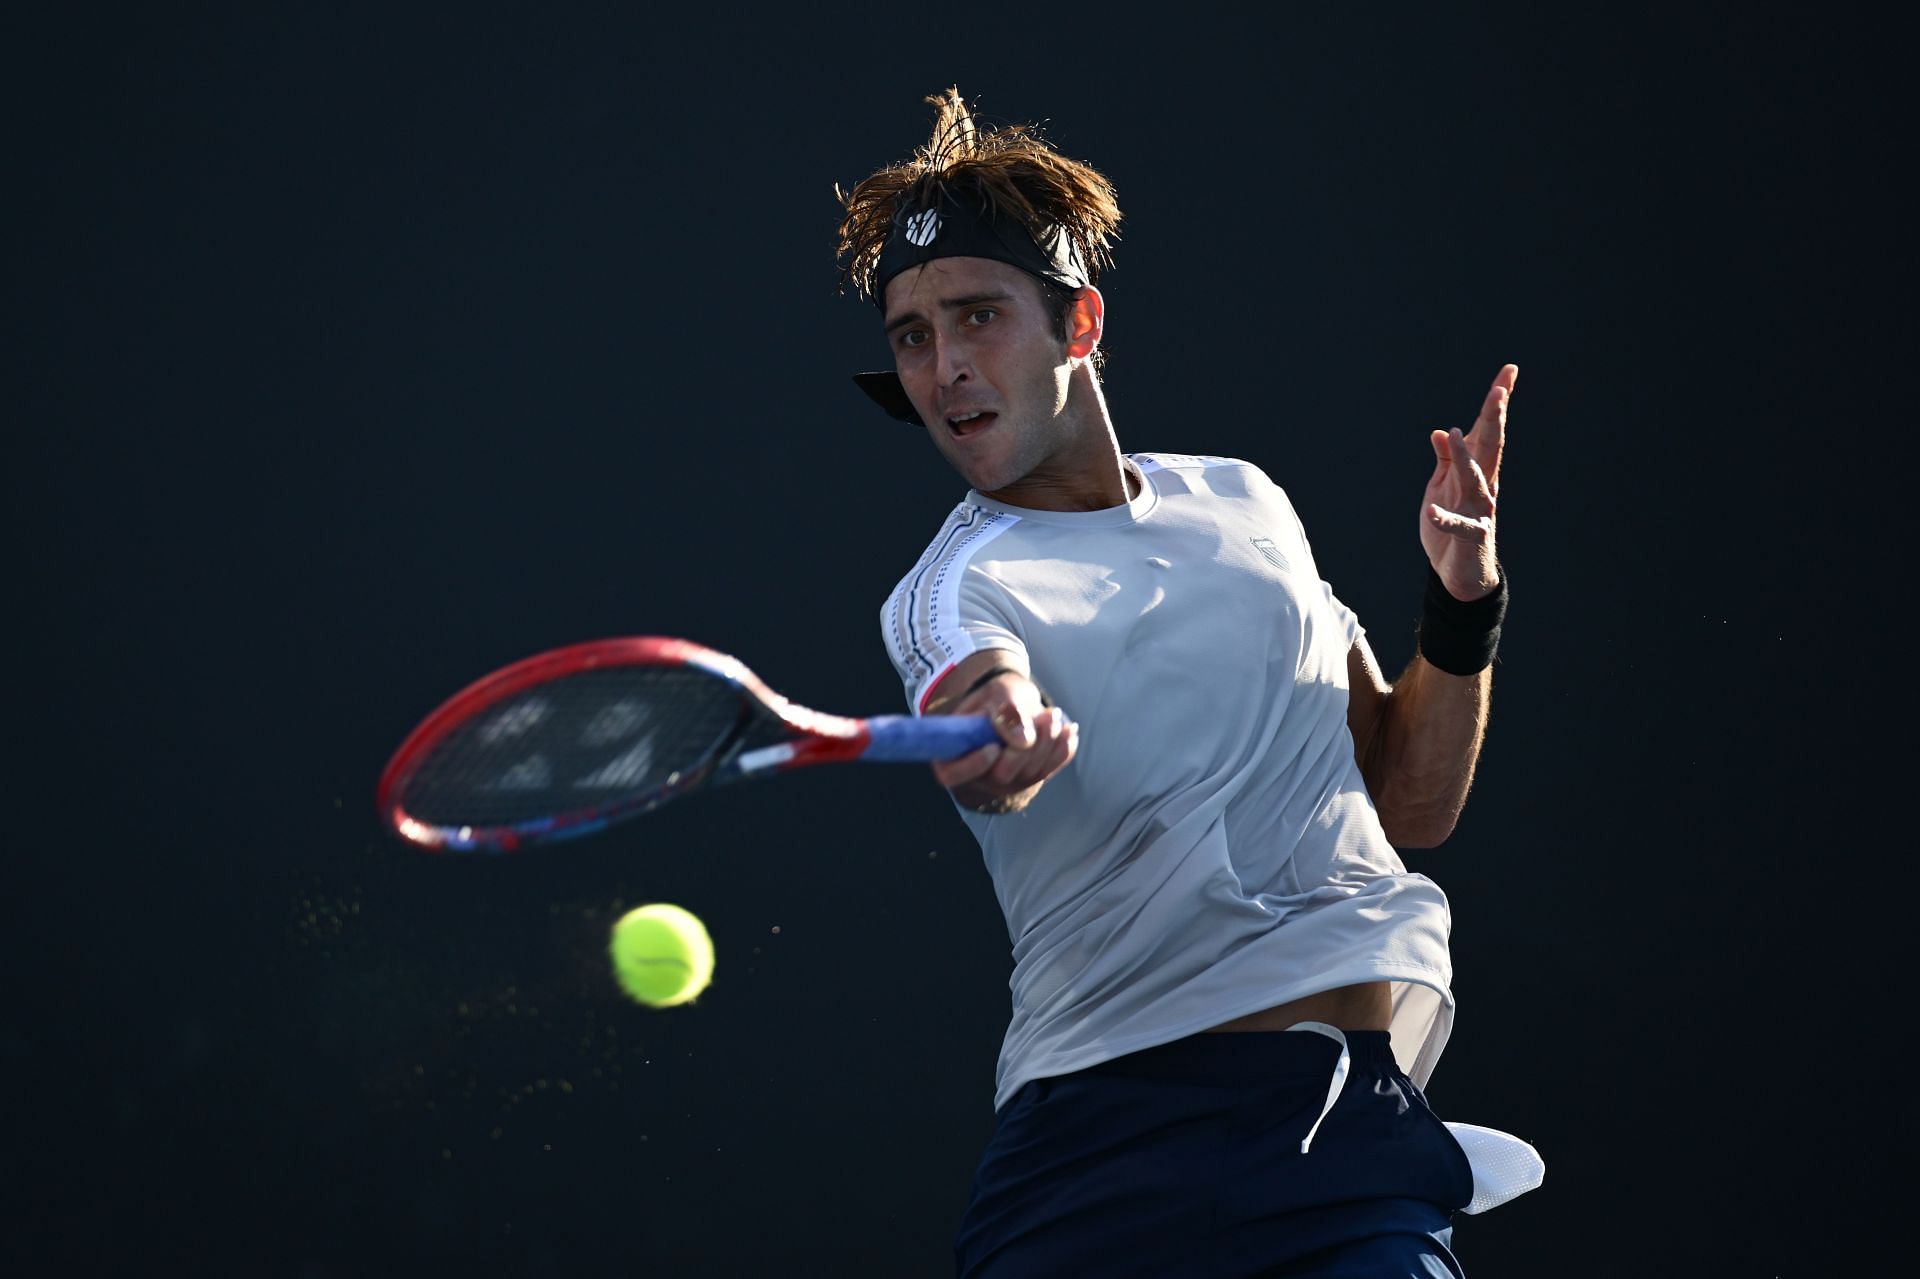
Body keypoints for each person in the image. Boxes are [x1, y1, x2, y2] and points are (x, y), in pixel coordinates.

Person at [835, 89, 1541, 1277]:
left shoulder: (1246, 503)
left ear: (1080, 326)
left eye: (977, 316)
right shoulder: (952, 593)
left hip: (1352, 1150)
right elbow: (971, 695)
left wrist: (1462, 602)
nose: (946, 368)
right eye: (913, 336)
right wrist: (992, 737)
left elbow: (1411, 802)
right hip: (1109, 1160)